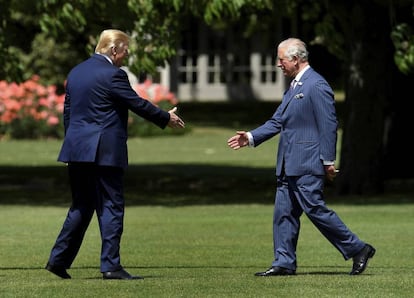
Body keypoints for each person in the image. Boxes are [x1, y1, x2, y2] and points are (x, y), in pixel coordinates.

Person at [227, 38, 375, 276]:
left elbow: (329, 125)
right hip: (287, 165)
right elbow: (278, 121)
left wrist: (328, 161)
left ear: (295, 59)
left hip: (307, 163)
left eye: (281, 59)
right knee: (283, 215)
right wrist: (251, 137)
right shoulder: (294, 86)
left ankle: (358, 249)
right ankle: (284, 263)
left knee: (315, 209)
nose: (278, 64)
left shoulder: (316, 85)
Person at [45, 29, 185, 280]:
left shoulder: (76, 72)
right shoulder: (113, 75)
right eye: (125, 50)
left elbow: (68, 112)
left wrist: (72, 144)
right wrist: (166, 117)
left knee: (81, 205)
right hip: (104, 152)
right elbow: (136, 103)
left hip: (77, 150)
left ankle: (58, 260)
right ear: (113, 49)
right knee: (111, 205)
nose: (126, 55)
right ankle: (111, 266)